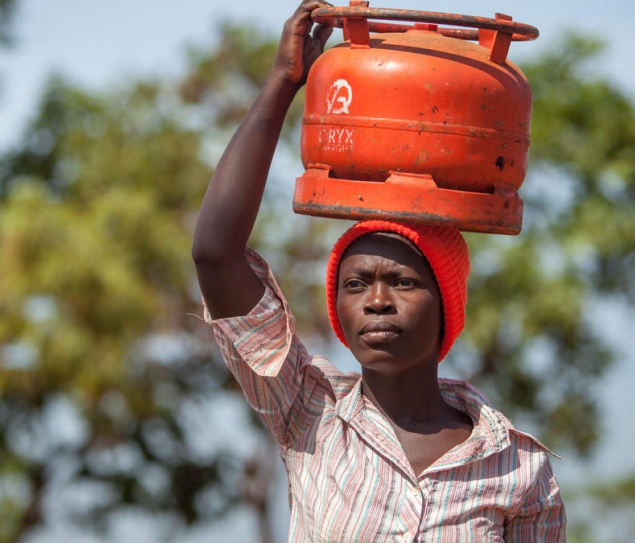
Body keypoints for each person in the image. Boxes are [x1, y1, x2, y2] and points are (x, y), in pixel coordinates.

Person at [191, 1, 566, 540]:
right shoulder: (308, 410)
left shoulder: (516, 468)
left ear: (449, 302)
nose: (377, 301)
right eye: (355, 283)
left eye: (405, 282)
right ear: (338, 305)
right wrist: (283, 81)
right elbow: (214, 255)